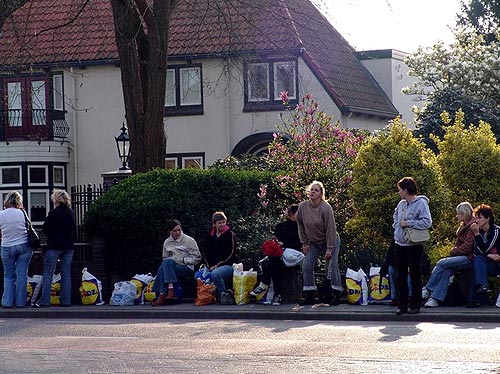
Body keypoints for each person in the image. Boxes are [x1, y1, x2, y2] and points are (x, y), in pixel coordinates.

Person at [296, 181, 342, 306]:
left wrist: (330, 248)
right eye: (311, 189)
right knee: (307, 265)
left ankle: (336, 294)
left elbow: (331, 228)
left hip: (330, 240)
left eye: (316, 190)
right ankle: (310, 294)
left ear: (321, 194)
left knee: (331, 267)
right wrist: (304, 243)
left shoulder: (326, 208)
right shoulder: (303, 207)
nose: (313, 192)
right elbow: (300, 224)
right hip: (314, 242)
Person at [421, 202, 475, 308]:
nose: (457, 216)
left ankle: (428, 289)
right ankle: (435, 299)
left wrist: (453, 251)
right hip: (461, 256)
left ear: (464, 214)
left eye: (458, 213)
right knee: (446, 271)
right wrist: (454, 251)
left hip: (469, 258)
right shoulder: (463, 227)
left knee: (441, 263)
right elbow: (458, 245)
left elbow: (468, 247)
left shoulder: (471, 227)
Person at [393, 176, 432, 315]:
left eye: (400, 190)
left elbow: (427, 222)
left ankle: (415, 304)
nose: (399, 193)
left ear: (406, 190)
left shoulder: (421, 204)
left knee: (415, 273)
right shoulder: (401, 204)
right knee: (401, 275)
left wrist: (409, 223)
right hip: (400, 243)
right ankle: (402, 305)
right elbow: (395, 219)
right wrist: (397, 229)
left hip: (414, 244)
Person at [250, 205, 301, 306]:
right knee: (274, 262)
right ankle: (277, 295)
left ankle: (264, 285)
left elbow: (299, 244)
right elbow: (277, 241)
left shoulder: (301, 228)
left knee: (272, 262)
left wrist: (284, 244)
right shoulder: (280, 226)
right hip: (280, 254)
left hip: (293, 255)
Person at [35, 189, 76, 308]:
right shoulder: (70, 212)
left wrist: (52, 233)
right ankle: (66, 301)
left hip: (54, 246)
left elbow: (45, 229)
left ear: (56, 199)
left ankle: (44, 301)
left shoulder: (53, 213)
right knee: (66, 274)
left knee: (48, 273)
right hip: (68, 246)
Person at [152, 219, 202, 306]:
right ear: (170, 231)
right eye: (174, 231)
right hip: (171, 267)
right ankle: (169, 291)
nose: (177, 232)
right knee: (166, 263)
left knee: (164, 266)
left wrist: (183, 260)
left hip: (186, 267)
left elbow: (197, 258)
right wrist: (170, 262)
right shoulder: (167, 242)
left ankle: (161, 294)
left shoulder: (189, 240)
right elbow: (165, 258)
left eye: (179, 230)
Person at [0, 191, 33, 308]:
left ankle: (7, 302)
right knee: (22, 274)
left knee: (8, 275)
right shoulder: (22, 213)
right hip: (24, 245)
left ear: (7, 201)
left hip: (7, 246)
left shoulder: (1, 214)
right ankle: (20, 302)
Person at [467, 204, 500, 308]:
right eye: (476, 217)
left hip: (496, 264)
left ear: (488, 218)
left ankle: (475, 298)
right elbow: (477, 251)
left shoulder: (496, 231)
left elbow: (486, 248)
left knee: (479, 263)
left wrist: (476, 235)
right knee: (478, 260)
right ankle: (482, 287)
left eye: (479, 217)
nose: (477, 220)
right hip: (485, 262)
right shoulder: (478, 232)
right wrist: (489, 255)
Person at [201, 212, 236, 300]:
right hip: (212, 265)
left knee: (215, 274)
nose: (222, 225)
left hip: (227, 265)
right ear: (214, 224)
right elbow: (206, 252)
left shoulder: (230, 234)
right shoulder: (209, 235)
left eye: (224, 222)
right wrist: (209, 265)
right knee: (198, 276)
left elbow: (231, 253)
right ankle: (209, 297)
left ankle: (223, 296)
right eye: (219, 223)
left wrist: (218, 265)